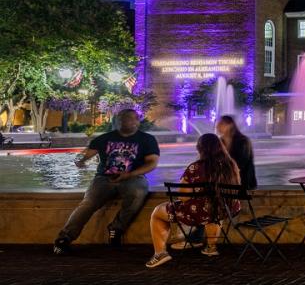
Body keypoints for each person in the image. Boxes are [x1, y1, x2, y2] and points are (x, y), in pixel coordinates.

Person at [53, 109, 160, 254]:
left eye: (129, 118)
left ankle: (116, 228)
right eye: (121, 118)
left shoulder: (147, 140)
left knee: (138, 193)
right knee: (88, 203)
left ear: (137, 121)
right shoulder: (105, 138)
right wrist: (81, 161)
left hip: (133, 178)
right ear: (117, 120)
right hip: (104, 178)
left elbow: (152, 163)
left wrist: (130, 174)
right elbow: (86, 154)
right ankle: (64, 238)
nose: (124, 121)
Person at [147, 133, 241, 268]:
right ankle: (211, 247)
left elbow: (183, 197)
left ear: (200, 149)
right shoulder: (231, 165)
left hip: (200, 213)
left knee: (157, 213)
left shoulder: (195, 168)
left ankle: (160, 253)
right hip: (227, 208)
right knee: (213, 208)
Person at [170, 115, 257, 251]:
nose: (217, 127)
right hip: (219, 187)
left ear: (229, 125)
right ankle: (203, 241)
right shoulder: (220, 141)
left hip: (239, 186)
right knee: (208, 198)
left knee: (208, 200)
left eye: (220, 124)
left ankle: (197, 239)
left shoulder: (242, 141)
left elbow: (241, 164)